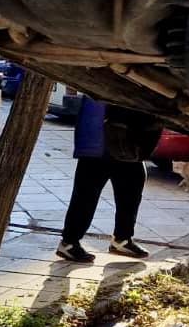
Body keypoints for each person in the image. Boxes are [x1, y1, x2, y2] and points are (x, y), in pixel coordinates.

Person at [57, 96, 150, 262]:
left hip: (122, 134)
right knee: (87, 190)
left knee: (133, 181)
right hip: (99, 135)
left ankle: (122, 239)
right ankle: (69, 242)